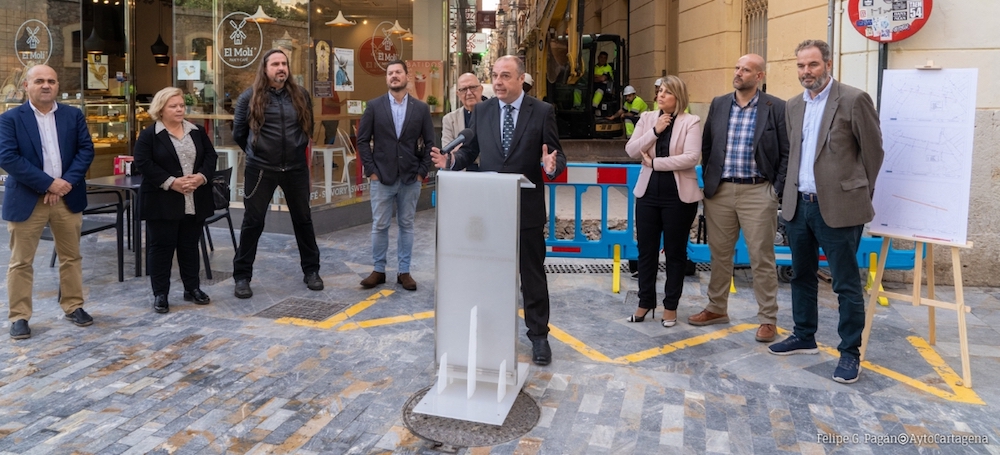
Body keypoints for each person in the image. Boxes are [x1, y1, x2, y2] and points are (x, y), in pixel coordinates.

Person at [429, 55, 566, 365]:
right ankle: (489, 334)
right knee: (490, 274)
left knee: (532, 276)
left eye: (505, 76)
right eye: (494, 76)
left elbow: (557, 155)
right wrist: (452, 161)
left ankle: (539, 337)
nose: (498, 82)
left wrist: (551, 165)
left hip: (526, 211)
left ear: (520, 79)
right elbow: (471, 151)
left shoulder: (542, 111)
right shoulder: (484, 110)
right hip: (491, 211)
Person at [768, 40, 884, 385]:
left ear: (828, 65)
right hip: (798, 206)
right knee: (801, 275)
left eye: (813, 65)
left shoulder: (854, 99)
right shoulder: (793, 105)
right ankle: (804, 335)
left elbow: (874, 153)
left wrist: (857, 192)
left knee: (845, 283)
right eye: (801, 66)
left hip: (838, 207)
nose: (806, 72)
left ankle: (850, 353)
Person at [690, 54, 789, 343]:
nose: (738, 73)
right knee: (719, 254)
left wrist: (775, 190)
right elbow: (708, 145)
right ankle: (716, 308)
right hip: (721, 191)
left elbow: (787, 151)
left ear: (759, 76)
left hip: (758, 191)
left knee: (761, 257)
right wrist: (711, 181)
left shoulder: (776, 107)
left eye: (745, 70)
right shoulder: (720, 104)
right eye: (737, 68)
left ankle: (767, 318)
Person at [0, 64, 95, 339]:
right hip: (28, 199)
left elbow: (85, 150)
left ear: (57, 86)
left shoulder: (72, 115)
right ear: (26, 86)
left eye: (51, 81)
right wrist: (48, 183)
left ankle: (73, 306)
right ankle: (19, 316)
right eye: (39, 80)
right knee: (21, 261)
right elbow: (8, 157)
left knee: (71, 256)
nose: (46, 85)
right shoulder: (10, 119)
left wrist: (63, 184)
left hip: (66, 197)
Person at [231, 48, 323, 299]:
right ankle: (242, 276)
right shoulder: (249, 97)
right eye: (275, 64)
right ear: (265, 68)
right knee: (253, 222)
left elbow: (308, 127)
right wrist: (258, 153)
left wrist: (296, 151)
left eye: (284, 63)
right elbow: (239, 133)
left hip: (295, 169)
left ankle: (312, 271)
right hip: (261, 169)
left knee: (303, 220)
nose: (281, 68)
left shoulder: (300, 95)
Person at [623, 75, 702, 328]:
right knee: (646, 251)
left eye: (666, 92)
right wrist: (655, 131)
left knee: (675, 253)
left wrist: (656, 163)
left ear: (678, 96)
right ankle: (645, 302)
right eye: (659, 92)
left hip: (678, 197)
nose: (660, 96)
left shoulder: (691, 121)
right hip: (648, 194)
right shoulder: (647, 118)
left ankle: (670, 306)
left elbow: (691, 158)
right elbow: (631, 150)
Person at [133, 87, 218, 314]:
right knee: (161, 247)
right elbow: (143, 163)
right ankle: (160, 294)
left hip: (194, 198)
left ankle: (192, 288)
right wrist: (171, 182)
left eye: (181, 105)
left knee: (189, 246)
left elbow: (211, 157)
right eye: (173, 106)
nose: (180, 109)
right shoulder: (149, 135)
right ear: (161, 109)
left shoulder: (196, 131)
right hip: (162, 200)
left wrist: (200, 177)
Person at [356, 59, 435, 291]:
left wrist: (422, 172)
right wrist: (371, 171)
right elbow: (362, 141)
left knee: (406, 225)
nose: (394, 76)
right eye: (390, 73)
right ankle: (378, 270)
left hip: (410, 178)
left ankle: (404, 271)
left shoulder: (420, 109)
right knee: (380, 225)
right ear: (386, 78)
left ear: (406, 76)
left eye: (398, 72)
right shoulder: (374, 106)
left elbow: (430, 142)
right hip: (382, 177)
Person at [442, 73, 483, 172]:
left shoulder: (494, 114)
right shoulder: (450, 119)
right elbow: (447, 152)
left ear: (481, 89)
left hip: (487, 173)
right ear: (458, 94)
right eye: (463, 89)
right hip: (460, 173)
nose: (469, 93)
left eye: (473, 87)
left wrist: (459, 148)